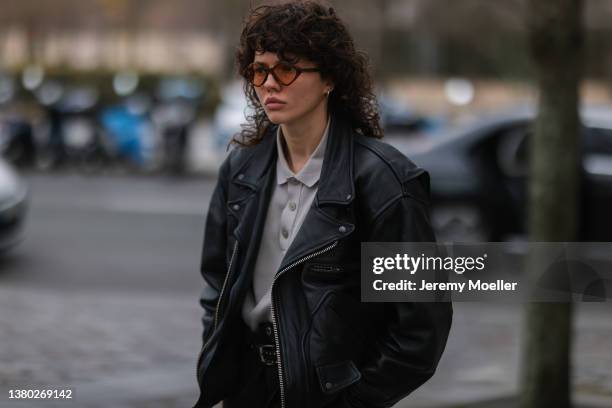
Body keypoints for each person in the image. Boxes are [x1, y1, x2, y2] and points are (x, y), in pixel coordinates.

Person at [194, 2, 453, 407]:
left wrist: (355, 399)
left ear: (329, 78)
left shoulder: (385, 181)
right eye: (259, 70)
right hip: (246, 389)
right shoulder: (241, 169)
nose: (269, 84)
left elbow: (421, 329)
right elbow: (218, 282)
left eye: (287, 69)